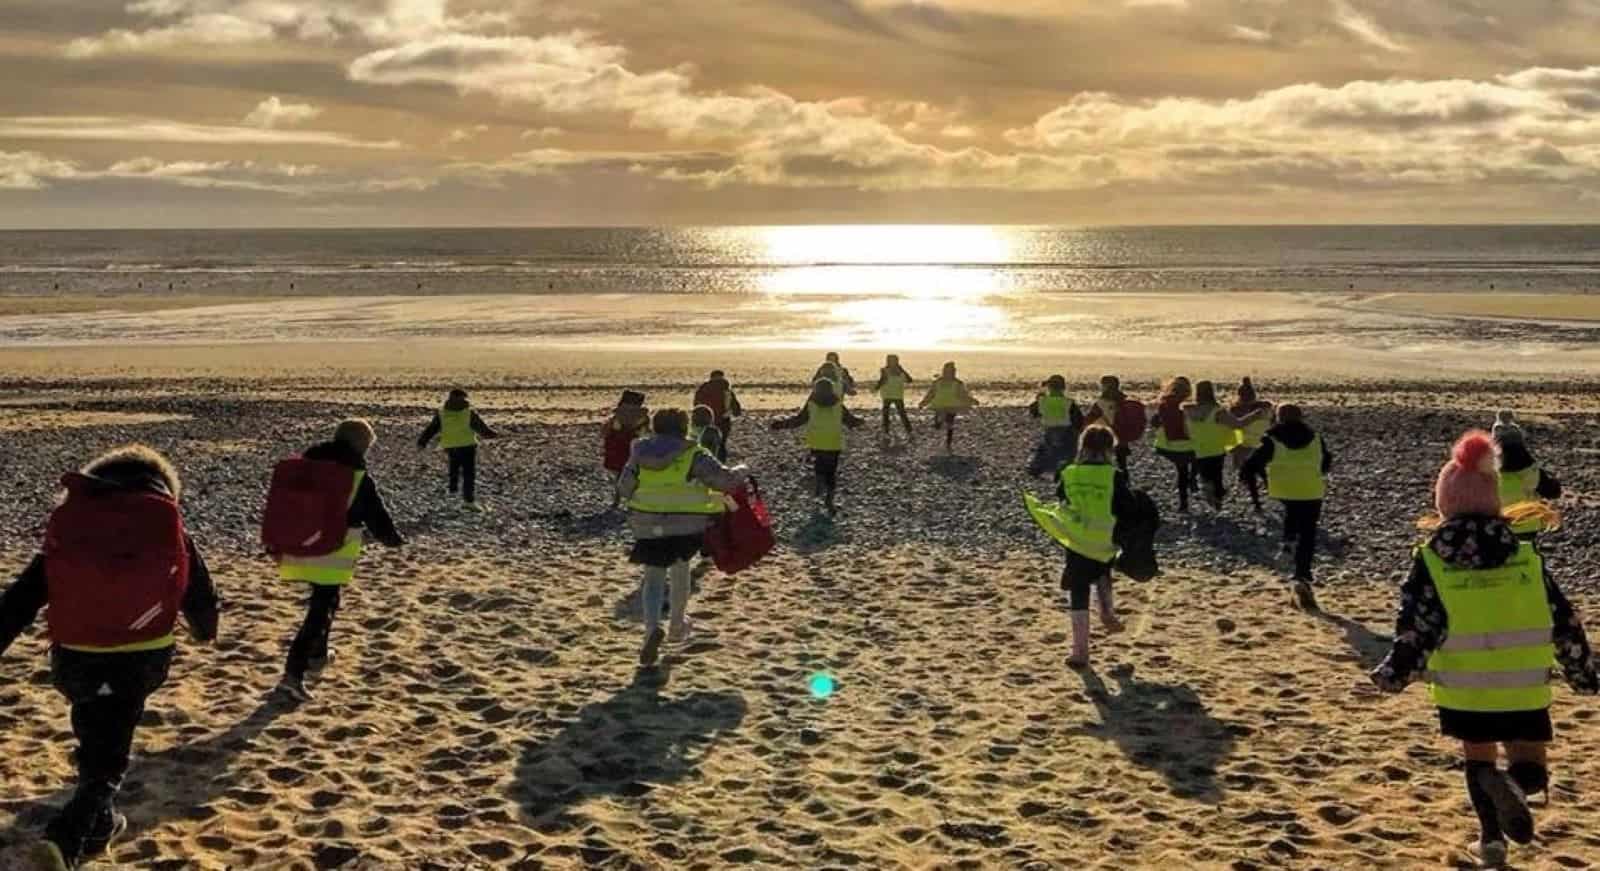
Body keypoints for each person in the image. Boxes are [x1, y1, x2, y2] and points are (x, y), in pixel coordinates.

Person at [1370, 431, 1596, 869]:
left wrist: (1394, 674)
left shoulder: (1432, 559)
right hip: (1524, 683)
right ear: (1494, 500)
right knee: (1531, 767)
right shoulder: (1526, 557)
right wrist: (1582, 673)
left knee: (1478, 759)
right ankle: (1512, 784)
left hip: (1465, 687)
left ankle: (1491, 841)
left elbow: (1418, 626)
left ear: (1444, 503)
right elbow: (1564, 621)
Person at [0, 445, 220, 869]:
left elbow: (23, 597)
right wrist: (205, 631)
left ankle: (100, 827)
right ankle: (65, 838)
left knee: (93, 726)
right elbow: (200, 594)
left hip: (76, 655)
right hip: (141, 657)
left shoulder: (74, 526)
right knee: (112, 753)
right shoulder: (167, 526)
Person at [279, 419, 405, 701]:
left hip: (301, 543)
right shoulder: (355, 475)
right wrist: (393, 540)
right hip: (332, 549)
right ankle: (292, 674)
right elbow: (376, 515)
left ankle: (319, 655)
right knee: (319, 610)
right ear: (360, 445)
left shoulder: (306, 464)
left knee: (326, 600)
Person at [617, 408, 748, 666]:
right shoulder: (693, 452)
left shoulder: (639, 452)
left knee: (652, 578)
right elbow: (723, 481)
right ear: (683, 427)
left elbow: (624, 488)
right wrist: (743, 469)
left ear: (655, 427)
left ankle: (650, 631)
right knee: (680, 572)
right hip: (686, 524)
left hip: (647, 522)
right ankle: (677, 625)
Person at [1026, 426, 1137, 668]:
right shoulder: (1114, 475)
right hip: (1104, 538)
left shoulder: (1069, 472)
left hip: (1077, 539)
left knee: (1078, 589)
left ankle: (1080, 651)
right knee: (1103, 573)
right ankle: (1107, 611)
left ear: (1082, 446)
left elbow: (1063, 500)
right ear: (1110, 448)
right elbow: (1126, 507)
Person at [1239, 404, 1333, 610]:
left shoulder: (1271, 438)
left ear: (1278, 417)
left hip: (1284, 488)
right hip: (1311, 489)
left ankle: (1288, 541)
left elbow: (1251, 465)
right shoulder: (1316, 437)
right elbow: (1326, 463)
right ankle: (1303, 574)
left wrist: (1257, 480)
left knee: (1292, 509)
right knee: (1308, 532)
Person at [773, 379, 865, 516]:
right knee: (831, 471)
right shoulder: (838, 404)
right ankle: (829, 499)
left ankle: (819, 482)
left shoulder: (811, 404)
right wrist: (861, 421)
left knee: (819, 464)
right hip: (834, 442)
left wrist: (780, 425)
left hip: (817, 441)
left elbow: (798, 421)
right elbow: (850, 421)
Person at [1186, 380, 1267, 511]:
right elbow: (1238, 424)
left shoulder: (1189, 410)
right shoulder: (1217, 411)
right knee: (1216, 477)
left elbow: (1186, 430)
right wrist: (1255, 415)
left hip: (1198, 448)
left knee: (1206, 476)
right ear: (1212, 392)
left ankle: (1211, 496)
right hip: (1216, 448)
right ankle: (1217, 503)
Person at [416, 388, 499, 512]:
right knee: (468, 474)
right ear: (464, 398)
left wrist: (422, 442)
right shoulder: (469, 413)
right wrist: (495, 435)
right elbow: (482, 429)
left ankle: (452, 492)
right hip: (467, 446)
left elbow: (431, 429)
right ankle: (468, 501)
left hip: (450, 446)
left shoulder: (442, 413)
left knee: (454, 467)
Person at [1493, 411, 1561, 540]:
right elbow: (1553, 492)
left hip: (1498, 526)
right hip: (1527, 524)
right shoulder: (1532, 471)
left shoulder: (1488, 473)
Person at [1151, 377, 1196, 513]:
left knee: (1181, 472)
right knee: (1200, 456)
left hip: (1167, 445)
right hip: (1187, 445)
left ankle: (1183, 505)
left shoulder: (1164, 404)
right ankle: (1193, 478)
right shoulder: (1190, 407)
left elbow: (1155, 423)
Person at [1229, 378, 1275, 512]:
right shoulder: (1266, 407)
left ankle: (1257, 502)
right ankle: (1267, 485)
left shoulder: (1236, 410)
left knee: (1249, 469)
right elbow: (1272, 423)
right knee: (1257, 466)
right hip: (1263, 444)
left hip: (1246, 445)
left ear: (1240, 395)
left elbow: (1234, 428)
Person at [1083, 375, 1146, 472]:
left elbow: (1089, 420)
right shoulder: (1125, 399)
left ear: (1105, 386)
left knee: (1104, 461)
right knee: (1122, 463)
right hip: (1122, 438)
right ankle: (1124, 481)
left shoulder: (1102, 402)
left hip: (1107, 437)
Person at [1027, 375, 1085, 478]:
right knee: (1069, 452)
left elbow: (1033, 412)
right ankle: (1068, 470)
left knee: (1048, 450)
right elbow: (1078, 419)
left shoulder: (1043, 401)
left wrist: (1039, 397)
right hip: (1066, 429)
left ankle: (1041, 469)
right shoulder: (1068, 402)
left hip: (1049, 429)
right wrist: (1079, 430)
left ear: (1049, 387)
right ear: (1063, 388)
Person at [603, 391, 651, 509]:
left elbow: (606, 432)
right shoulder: (642, 416)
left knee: (619, 476)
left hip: (616, 450)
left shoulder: (617, 415)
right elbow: (646, 433)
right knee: (636, 475)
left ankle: (617, 500)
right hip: (633, 449)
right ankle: (634, 500)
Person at [919, 362, 978, 453]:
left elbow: (963, 395)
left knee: (950, 424)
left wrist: (972, 400)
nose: (949, 373)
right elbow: (931, 394)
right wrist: (923, 403)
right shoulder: (937, 382)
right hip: (939, 406)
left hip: (952, 406)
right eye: (947, 371)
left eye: (951, 371)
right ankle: (939, 422)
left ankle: (948, 443)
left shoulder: (957, 383)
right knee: (938, 425)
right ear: (944, 371)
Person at [692, 371, 743, 460]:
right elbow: (736, 410)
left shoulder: (703, 389)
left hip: (704, 422)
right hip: (723, 423)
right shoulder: (727, 390)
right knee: (721, 446)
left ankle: (704, 465)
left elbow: (696, 405)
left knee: (703, 445)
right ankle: (720, 466)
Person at [874, 354, 916, 439]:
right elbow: (882, 380)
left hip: (897, 395)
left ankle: (910, 431)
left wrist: (902, 370)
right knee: (886, 414)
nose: (891, 362)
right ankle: (886, 432)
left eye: (893, 361)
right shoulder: (884, 370)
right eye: (890, 360)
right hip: (887, 395)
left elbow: (909, 380)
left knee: (902, 414)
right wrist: (876, 388)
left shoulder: (901, 371)